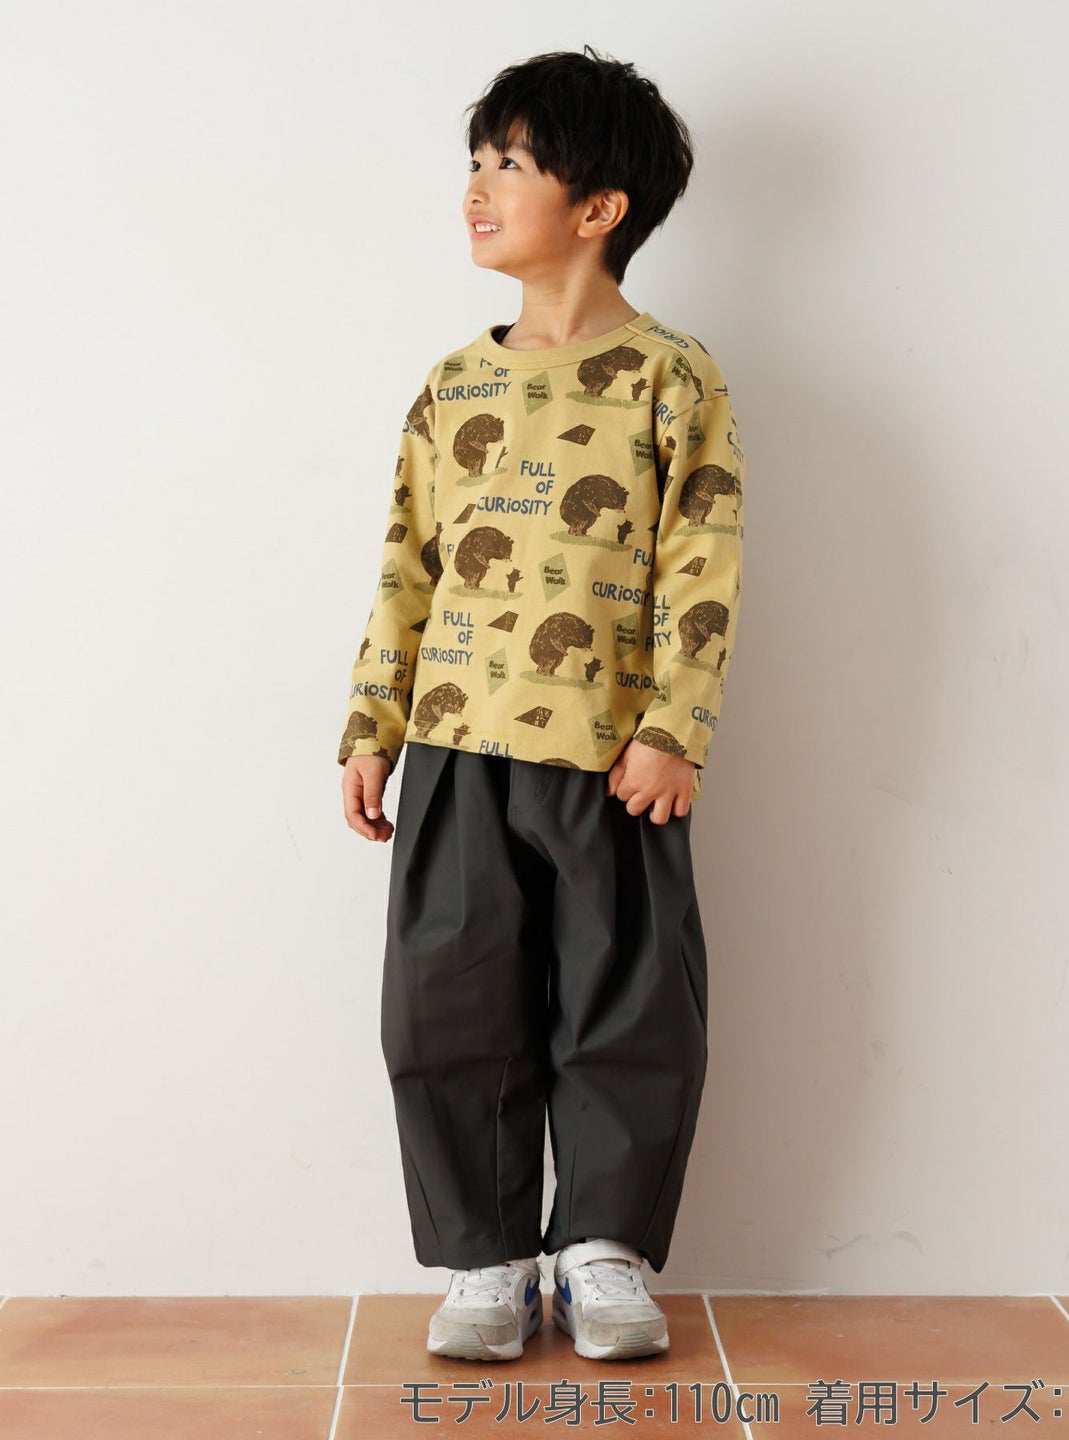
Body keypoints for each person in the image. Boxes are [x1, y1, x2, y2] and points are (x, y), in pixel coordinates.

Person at [337, 45, 746, 1363]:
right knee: (448, 1001)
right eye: (475, 160)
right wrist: (372, 725)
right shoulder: (453, 385)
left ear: (598, 206)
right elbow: (408, 562)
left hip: (611, 753)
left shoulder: (671, 378)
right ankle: (488, 1257)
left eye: (509, 162)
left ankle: (603, 1249)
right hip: (457, 743)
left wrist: (677, 726)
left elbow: (703, 560)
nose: (477, 186)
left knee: (627, 999)